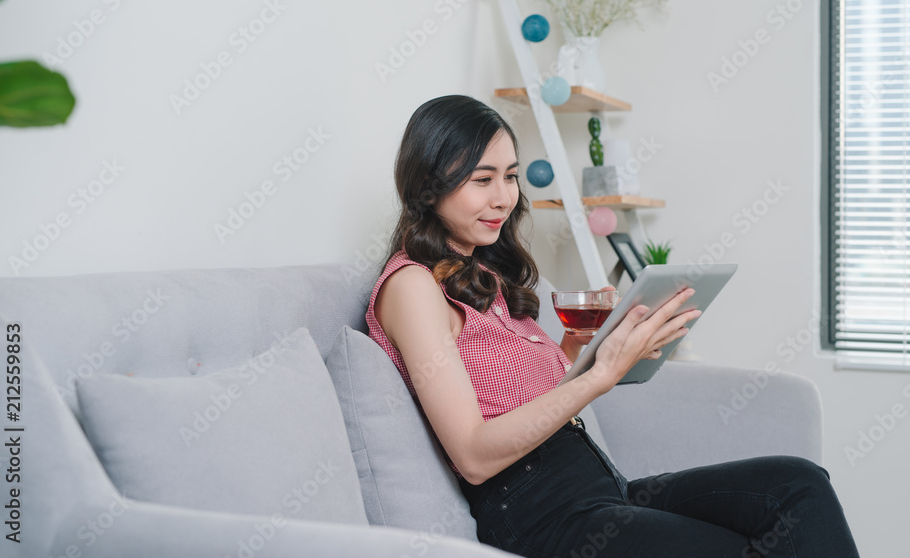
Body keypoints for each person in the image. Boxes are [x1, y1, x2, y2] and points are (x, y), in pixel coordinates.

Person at [365, 94, 860, 557]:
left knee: (798, 486)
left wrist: (594, 343)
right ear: (428, 185)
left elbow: (530, 396)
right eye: (482, 180)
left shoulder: (482, 273)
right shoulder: (413, 286)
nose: (504, 198)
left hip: (602, 487)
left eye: (511, 177)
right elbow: (473, 454)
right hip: (539, 513)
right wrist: (601, 375)